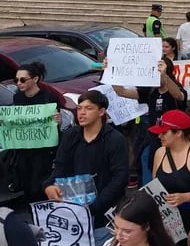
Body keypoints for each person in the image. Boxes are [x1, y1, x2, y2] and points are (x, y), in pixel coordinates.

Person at [43, 90, 129, 246]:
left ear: (101, 112)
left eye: (88, 108)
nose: (81, 113)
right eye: (79, 108)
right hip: (73, 211)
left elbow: (120, 178)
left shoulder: (115, 139)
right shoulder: (70, 135)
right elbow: (60, 166)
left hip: (104, 215)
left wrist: (94, 206)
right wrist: (49, 185)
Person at [112, 57, 187, 186]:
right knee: (146, 159)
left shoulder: (174, 87)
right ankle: (149, 192)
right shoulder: (150, 91)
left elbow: (178, 95)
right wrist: (112, 73)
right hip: (154, 137)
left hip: (174, 138)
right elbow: (122, 92)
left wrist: (165, 76)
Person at [150, 110, 190, 239]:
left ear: (178, 133)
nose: (159, 136)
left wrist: (185, 197)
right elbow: (155, 186)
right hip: (169, 219)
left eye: (164, 133)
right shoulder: (160, 153)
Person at [8, 62, 60, 203]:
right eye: (16, 80)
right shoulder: (18, 97)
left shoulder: (49, 98)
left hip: (42, 151)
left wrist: (57, 121)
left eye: (23, 80)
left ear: (35, 79)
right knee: (26, 184)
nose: (19, 83)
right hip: (24, 149)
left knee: (39, 184)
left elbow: (55, 127)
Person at [109, 192, 176, 246]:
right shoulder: (110, 243)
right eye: (116, 227)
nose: (118, 236)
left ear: (147, 226)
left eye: (127, 231)